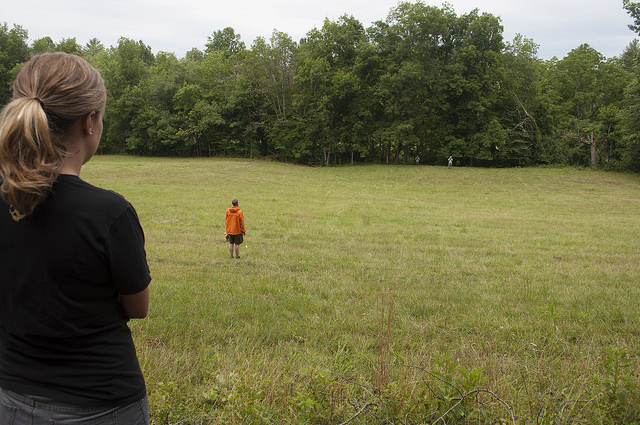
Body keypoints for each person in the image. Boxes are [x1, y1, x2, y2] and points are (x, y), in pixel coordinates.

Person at [0, 53, 151, 424]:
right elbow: (138, 307)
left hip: (10, 396)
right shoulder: (109, 213)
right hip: (102, 404)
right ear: (90, 121)